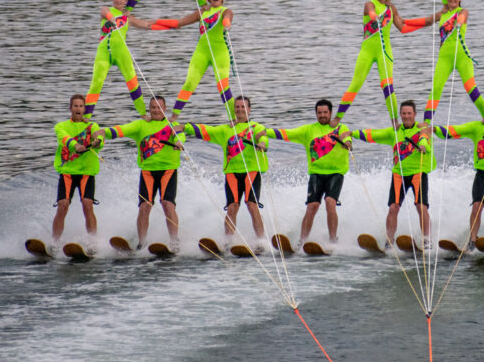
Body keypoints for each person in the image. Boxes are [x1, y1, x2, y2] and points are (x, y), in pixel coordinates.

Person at [178, 96, 269, 247]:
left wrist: (261, 144)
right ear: (234, 110)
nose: (240, 110)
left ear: (249, 109)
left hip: (251, 172)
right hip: (232, 173)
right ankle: (228, 242)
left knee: (251, 205)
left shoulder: (256, 127)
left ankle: (261, 241)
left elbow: (263, 138)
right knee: (232, 206)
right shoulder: (226, 130)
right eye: (237, 107)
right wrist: (185, 127)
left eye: (243, 107)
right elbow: (206, 130)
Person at [103, 95, 186, 251]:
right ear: (149, 109)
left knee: (167, 204)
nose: (156, 110)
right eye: (153, 107)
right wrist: (104, 132)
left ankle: (174, 242)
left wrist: (179, 142)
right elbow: (121, 130)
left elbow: (179, 135)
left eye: (159, 107)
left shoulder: (171, 124)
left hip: (168, 171)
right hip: (148, 172)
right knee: (144, 206)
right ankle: (142, 243)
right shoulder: (140, 125)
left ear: (165, 109)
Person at [266, 99, 353, 249]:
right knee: (312, 206)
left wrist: (347, 143)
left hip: (336, 173)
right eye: (319, 113)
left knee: (330, 203)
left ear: (331, 113)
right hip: (316, 174)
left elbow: (348, 139)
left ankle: (333, 240)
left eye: (325, 112)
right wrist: (264, 132)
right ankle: (302, 241)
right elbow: (287, 134)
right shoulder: (308, 130)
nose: (322, 115)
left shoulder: (340, 128)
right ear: (316, 114)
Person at [334, 0, 420, 128]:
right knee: (355, 84)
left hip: (384, 52)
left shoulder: (391, 8)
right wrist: (375, 17)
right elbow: (371, 12)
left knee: (387, 86)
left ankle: (394, 121)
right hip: (367, 51)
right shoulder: (370, 4)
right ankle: (337, 118)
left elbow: (402, 28)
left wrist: (426, 23)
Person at [433, 97, 484, 250]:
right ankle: (472, 240)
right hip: (482, 174)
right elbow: (454, 131)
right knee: (476, 206)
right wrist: (433, 129)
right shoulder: (476, 127)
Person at [354, 100, 434, 248]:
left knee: (421, 207)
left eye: (409, 113)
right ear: (400, 115)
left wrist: (423, 145)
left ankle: (427, 239)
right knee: (393, 207)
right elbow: (373, 135)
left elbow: (425, 141)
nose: (406, 116)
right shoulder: (394, 132)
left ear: (415, 114)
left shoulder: (424, 129)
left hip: (418, 173)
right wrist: (352, 134)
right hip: (399, 175)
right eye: (403, 113)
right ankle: (389, 241)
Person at [152, 0, 235, 121]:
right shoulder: (201, 12)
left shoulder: (226, 11)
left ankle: (234, 120)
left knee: (222, 84)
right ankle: (173, 117)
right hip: (201, 53)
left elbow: (228, 17)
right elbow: (179, 23)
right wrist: (156, 22)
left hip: (220, 53)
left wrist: (226, 24)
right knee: (190, 82)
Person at [403, 0, 484, 123]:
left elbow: (463, 17)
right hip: (444, 58)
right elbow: (427, 21)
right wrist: (404, 21)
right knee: (436, 88)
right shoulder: (442, 14)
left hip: (462, 58)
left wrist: (458, 23)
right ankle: (426, 123)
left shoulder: (462, 11)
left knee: (470, 87)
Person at [84, 0, 159, 119]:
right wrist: (109, 17)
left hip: (122, 54)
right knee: (96, 83)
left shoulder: (127, 18)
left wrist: (170, 24)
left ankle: (143, 114)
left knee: (132, 82)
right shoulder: (106, 10)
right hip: (103, 54)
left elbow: (146, 24)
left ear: (125, 1)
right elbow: (103, 11)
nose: (118, 0)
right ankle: (86, 117)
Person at [52, 94, 105, 252]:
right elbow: (64, 138)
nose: (78, 109)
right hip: (68, 171)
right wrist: (76, 145)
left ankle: (92, 243)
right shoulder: (60, 126)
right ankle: (54, 242)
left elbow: (99, 135)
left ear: (84, 109)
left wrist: (97, 142)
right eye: (75, 106)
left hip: (87, 172)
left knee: (88, 205)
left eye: (81, 106)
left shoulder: (92, 126)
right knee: (63, 205)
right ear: (70, 108)